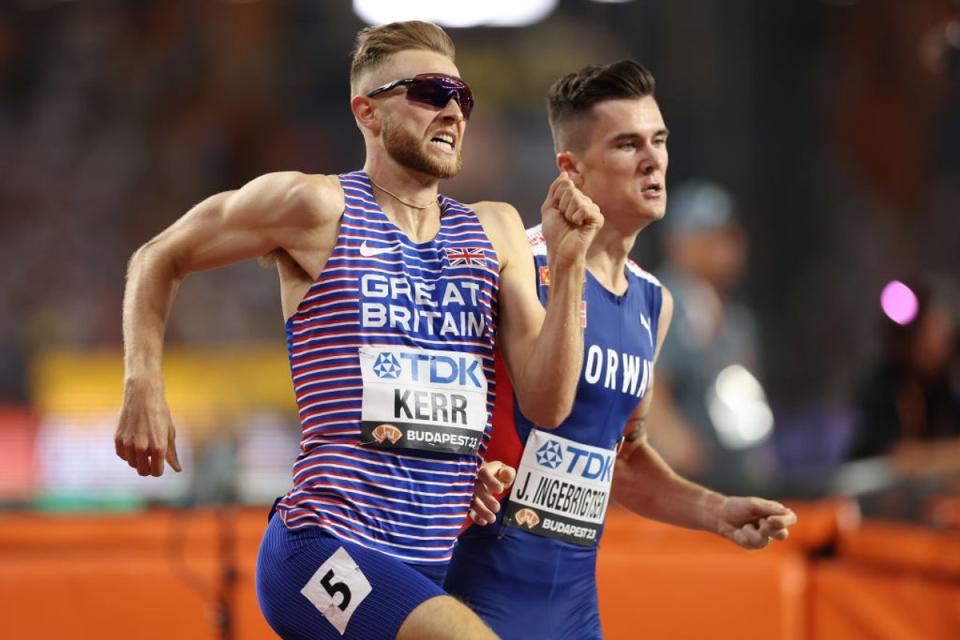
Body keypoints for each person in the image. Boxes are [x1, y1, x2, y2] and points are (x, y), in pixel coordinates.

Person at [113, 21, 602, 640]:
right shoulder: (316, 208)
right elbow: (158, 256)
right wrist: (143, 383)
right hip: (321, 550)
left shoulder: (495, 230)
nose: (452, 109)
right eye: (429, 91)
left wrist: (568, 263)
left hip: (431, 564)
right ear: (367, 112)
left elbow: (549, 402)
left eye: (463, 97)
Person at [444, 60, 797, 640]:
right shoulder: (509, 266)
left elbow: (624, 458)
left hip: (577, 612)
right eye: (628, 144)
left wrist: (716, 511)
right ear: (572, 170)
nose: (653, 159)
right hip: (473, 596)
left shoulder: (654, 303)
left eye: (658, 140)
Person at [645, 180, 775, 494]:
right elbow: (646, 387)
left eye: (727, 235)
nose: (723, 246)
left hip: (732, 476)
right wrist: (674, 443)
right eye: (707, 236)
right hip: (684, 486)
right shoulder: (660, 300)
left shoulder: (735, 319)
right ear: (678, 242)